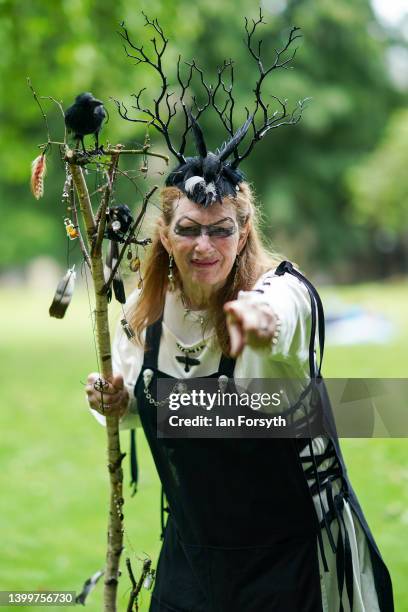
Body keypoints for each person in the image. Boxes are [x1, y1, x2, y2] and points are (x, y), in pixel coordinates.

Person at [86, 176, 393, 610]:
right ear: (165, 234)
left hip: (289, 557)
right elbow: (149, 405)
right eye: (189, 229)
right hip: (193, 555)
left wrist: (262, 321)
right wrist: (117, 403)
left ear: (244, 230)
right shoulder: (145, 310)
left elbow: (283, 314)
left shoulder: (280, 291)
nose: (204, 246)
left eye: (221, 229)